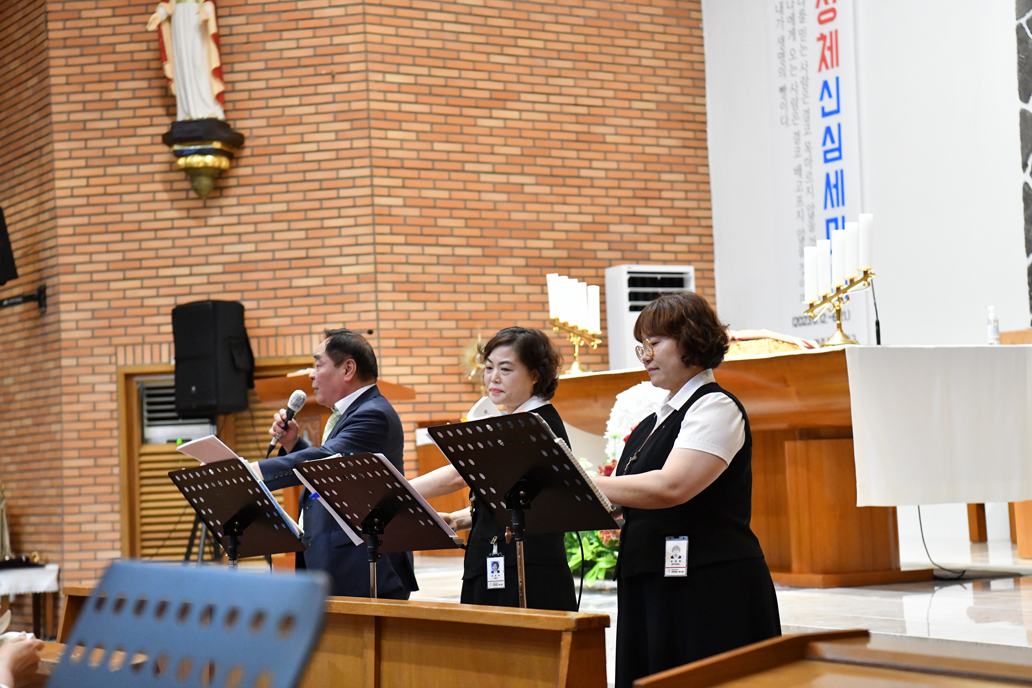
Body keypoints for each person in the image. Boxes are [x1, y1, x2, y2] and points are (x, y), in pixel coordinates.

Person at [592, 292, 781, 688]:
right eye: (642, 345)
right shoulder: (651, 423)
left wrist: (588, 483)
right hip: (650, 579)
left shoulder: (715, 407)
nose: (645, 354)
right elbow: (629, 500)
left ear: (692, 339)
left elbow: (673, 486)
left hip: (705, 584)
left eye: (655, 343)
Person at [410, 327, 577, 611]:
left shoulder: (535, 423)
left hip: (524, 567)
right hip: (497, 559)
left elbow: (457, 474)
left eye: (506, 368)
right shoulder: (512, 419)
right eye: (489, 368)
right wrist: (460, 517)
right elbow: (504, 494)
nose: (493, 377)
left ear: (535, 375)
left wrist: (398, 490)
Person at [253, 328, 417, 599]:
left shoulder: (373, 414)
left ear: (348, 369)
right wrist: (294, 444)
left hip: (364, 564)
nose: (311, 374)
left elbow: (325, 459)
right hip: (337, 560)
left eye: (318, 364)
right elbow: (334, 465)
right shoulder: (352, 412)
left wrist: (256, 471)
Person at [146, 0, 226, 120]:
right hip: (178, 20)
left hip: (196, 17)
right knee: (182, 65)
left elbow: (209, 2)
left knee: (199, 63)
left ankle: (209, 108)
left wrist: (206, 10)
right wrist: (160, 14)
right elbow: (167, 3)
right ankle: (187, 111)